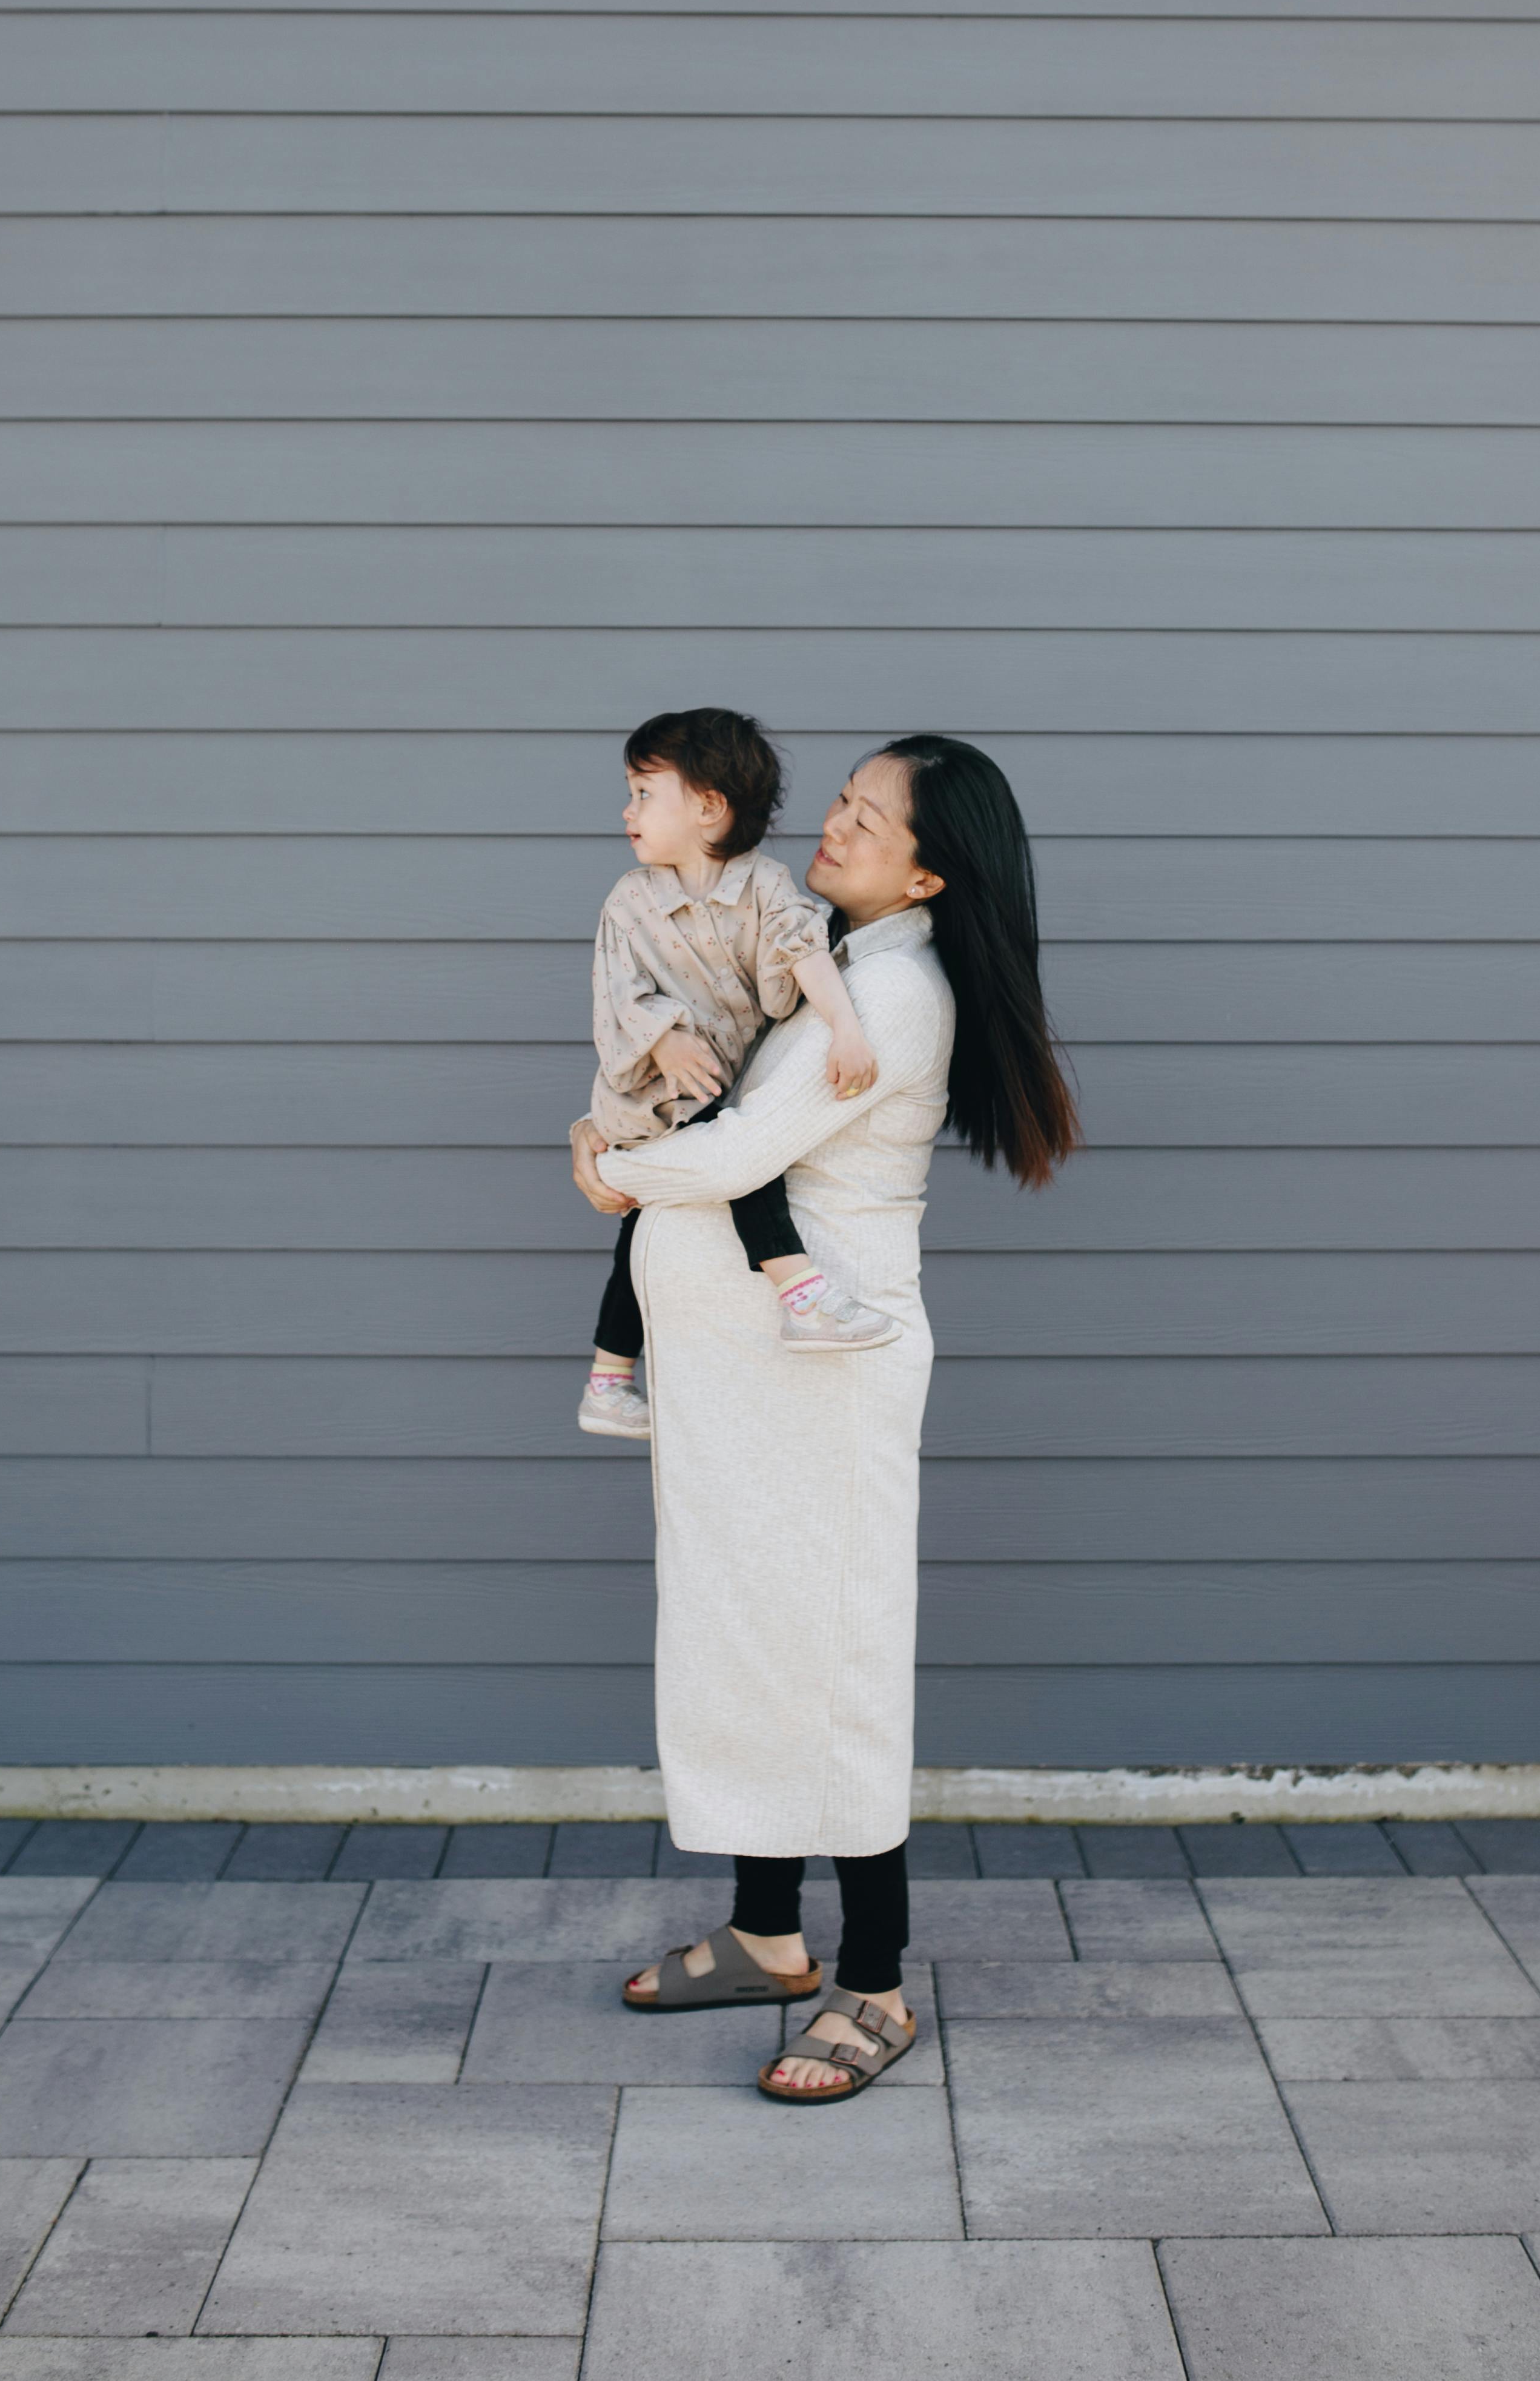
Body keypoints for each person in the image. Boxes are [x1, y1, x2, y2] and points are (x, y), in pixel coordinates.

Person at [570, 735, 1079, 2101]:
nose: (834, 827)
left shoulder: (898, 991)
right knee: (748, 1632)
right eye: (841, 802)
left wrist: (606, 1165)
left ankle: (874, 1979)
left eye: (865, 816)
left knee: (834, 1658)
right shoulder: (835, 964)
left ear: (928, 867)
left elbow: (739, 1150)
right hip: (743, 1374)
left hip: (822, 1378)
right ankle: (766, 1931)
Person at [578, 705, 901, 1447]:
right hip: (651, 1088)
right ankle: (800, 1290)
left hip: (712, 1083)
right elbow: (615, 993)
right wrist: (660, 1044)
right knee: (741, 1159)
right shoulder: (630, 901)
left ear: (707, 807)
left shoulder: (763, 886)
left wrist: (846, 1028)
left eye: (642, 793)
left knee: (637, 1238)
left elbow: (799, 951)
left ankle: (606, 1377)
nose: (626, 812)